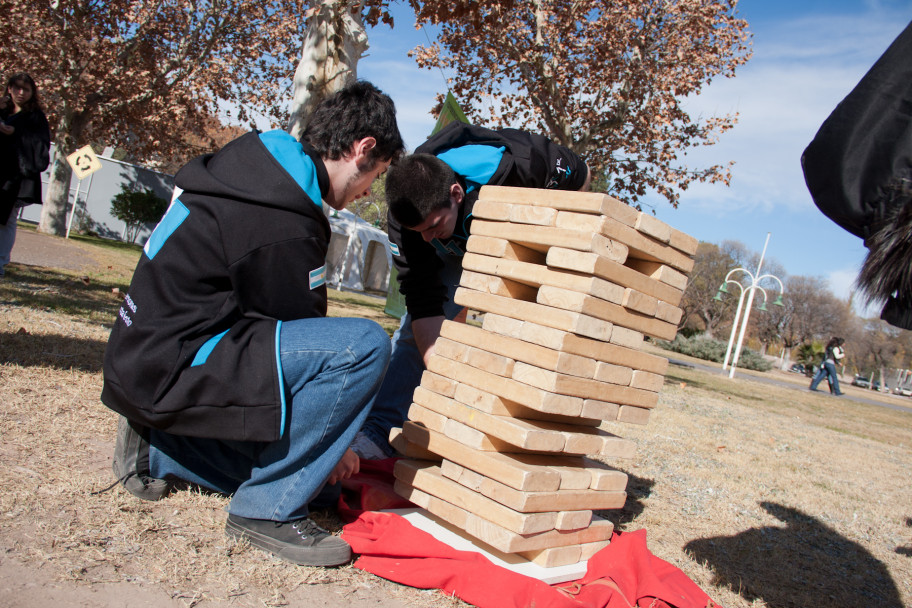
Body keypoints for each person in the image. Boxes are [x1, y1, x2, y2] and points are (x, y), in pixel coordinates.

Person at [101, 81, 404, 567]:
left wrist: (320, 454)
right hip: (175, 363)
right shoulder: (282, 213)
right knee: (364, 346)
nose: (369, 191)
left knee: (319, 485)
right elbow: (303, 336)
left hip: (147, 361)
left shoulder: (259, 169)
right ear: (361, 149)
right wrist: (337, 441)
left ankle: (159, 450)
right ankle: (266, 511)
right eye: (377, 176)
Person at [351, 122, 591, 460]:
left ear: (456, 193)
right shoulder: (409, 220)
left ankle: (521, 440)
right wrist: (438, 362)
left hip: (528, 240)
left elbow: (582, 178)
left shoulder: (526, 165)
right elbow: (422, 298)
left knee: (526, 338)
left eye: (433, 226)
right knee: (413, 337)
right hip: (455, 254)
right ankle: (377, 432)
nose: (425, 238)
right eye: (418, 231)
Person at [0, 72, 51, 276]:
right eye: (17, 88)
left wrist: (16, 134)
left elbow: (41, 149)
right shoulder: (3, 109)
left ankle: (1, 262)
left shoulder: (35, 117)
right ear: (9, 88)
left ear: (32, 92)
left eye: (26, 89)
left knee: (7, 219)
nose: (21, 93)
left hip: (17, 177)